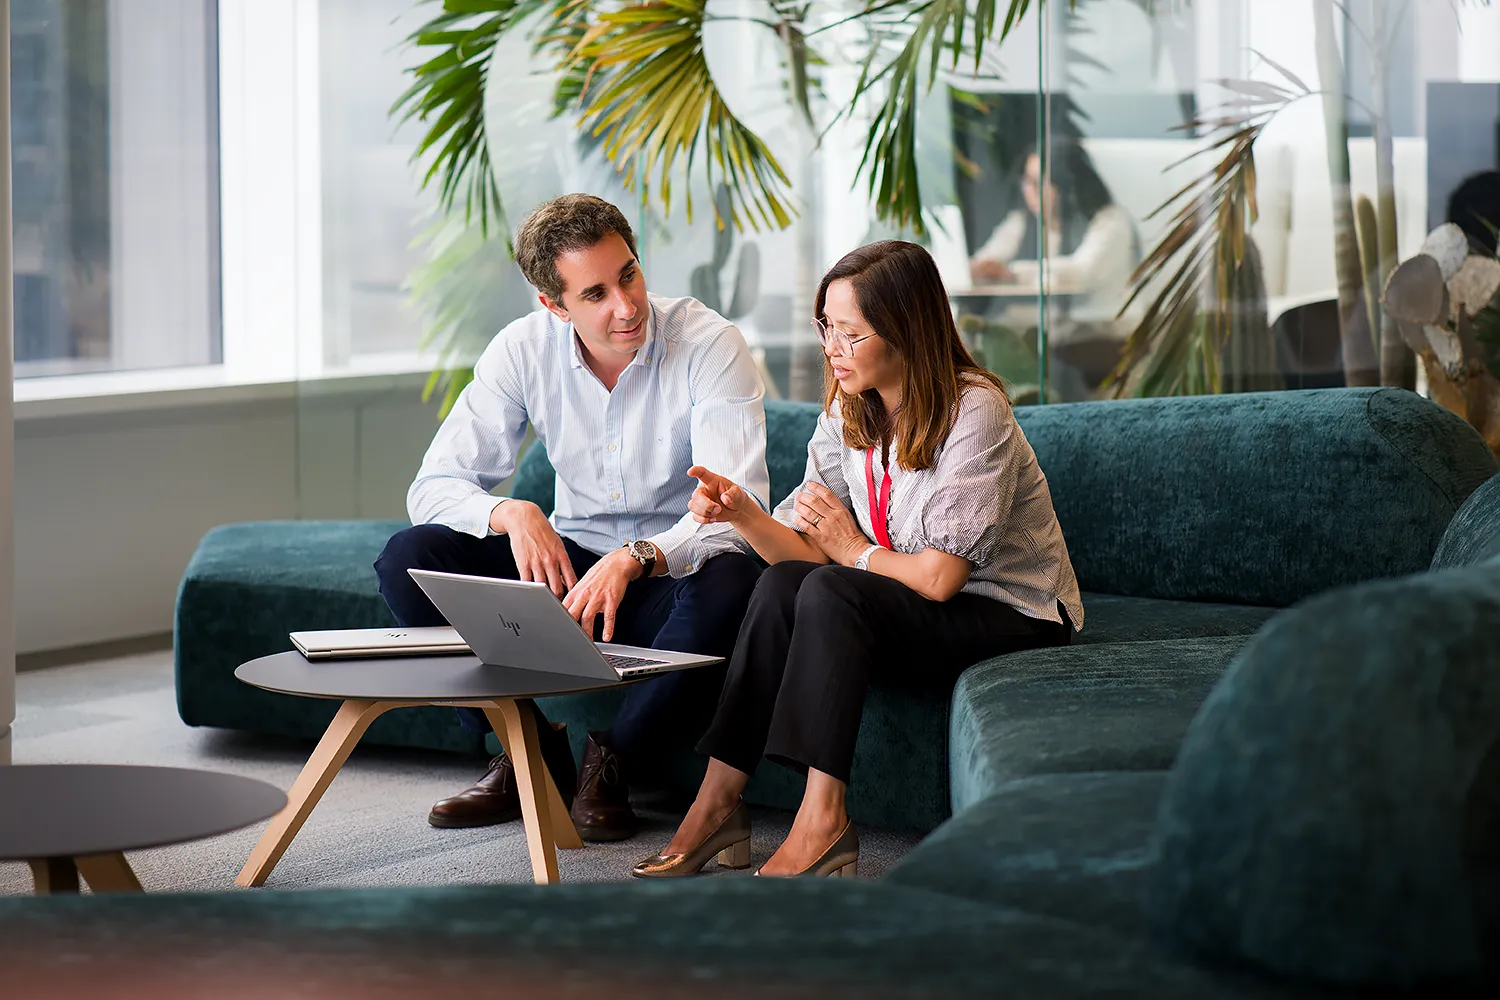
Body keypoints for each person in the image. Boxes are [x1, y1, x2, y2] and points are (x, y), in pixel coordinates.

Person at [632, 240, 1083, 879]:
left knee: (830, 589)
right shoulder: (851, 406)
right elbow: (809, 552)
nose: (832, 348)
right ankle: (718, 803)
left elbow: (940, 577)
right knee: (790, 581)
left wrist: (854, 551)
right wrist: (744, 516)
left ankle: (823, 821)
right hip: (909, 598)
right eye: (826, 327)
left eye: (850, 333)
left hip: (1012, 613)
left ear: (905, 330)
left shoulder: (974, 411)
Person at [374, 194, 768, 843]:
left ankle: (613, 762)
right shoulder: (522, 351)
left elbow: (734, 515)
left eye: (630, 275)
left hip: (669, 577)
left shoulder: (709, 343)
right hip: (566, 567)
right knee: (407, 557)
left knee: (734, 582)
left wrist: (638, 556)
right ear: (554, 306)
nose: (627, 305)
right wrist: (510, 511)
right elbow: (433, 486)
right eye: (596, 294)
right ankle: (525, 751)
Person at [968, 138, 1137, 399]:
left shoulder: (1109, 221)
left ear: (1068, 185)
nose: (1031, 191)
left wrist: (1012, 273)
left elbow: (1083, 272)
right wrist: (978, 267)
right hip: (1054, 330)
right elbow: (989, 258)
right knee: (982, 333)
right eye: (1027, 181)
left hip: (1101, 332)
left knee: (1005, 337)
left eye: (1040, 183)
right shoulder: (1024, 222)